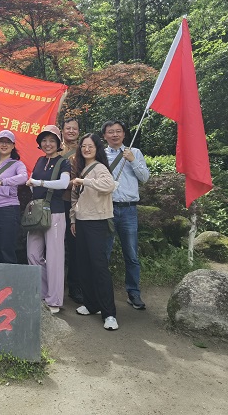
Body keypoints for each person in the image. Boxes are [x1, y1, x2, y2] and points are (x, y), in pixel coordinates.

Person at [70, 133, 119, 330]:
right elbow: (75, 198)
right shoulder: (80, 169)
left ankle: (109, 314)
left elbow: (109, 185)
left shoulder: (100, 168)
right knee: (84, 265)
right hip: (81, 222)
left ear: (97, 148)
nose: (86, 149)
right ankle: (91, 304)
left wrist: (86, 182)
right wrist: (73, 219)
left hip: (97, 222)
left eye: (90, 146)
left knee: (99, 267)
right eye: (83, 146)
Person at [102, 120, 150, 310]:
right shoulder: (101, 155)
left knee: (131, 254)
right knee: (104, 252)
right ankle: (103, 292)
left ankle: (133, 292)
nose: (114, 135)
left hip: (129, 210)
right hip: (107, 208)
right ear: (104, 135)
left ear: (124, 134)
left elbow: (145, 178)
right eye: (110, 131)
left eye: (118, 131)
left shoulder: (134, 152)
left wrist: (132, 160)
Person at [25, 124, 71, 313]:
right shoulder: (39, 160)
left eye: (52, 140)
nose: (47, 144)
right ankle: (43, 293)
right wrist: (33, 184)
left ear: (59, 143)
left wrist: (39, 182)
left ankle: (54, 300)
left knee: (54, 257)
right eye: (44, 140)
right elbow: (32, 183)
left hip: (55, 212)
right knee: (32, 254)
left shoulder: (63, 162)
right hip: (37, 213)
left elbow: (64, 183)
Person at [0, 130, 28, 264]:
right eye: (1, 142)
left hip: (8, 208)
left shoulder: (17, 164)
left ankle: (10, 277)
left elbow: (23, 177)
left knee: (6, 248)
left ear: (13, 145)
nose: (4, 145)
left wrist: (2, 182)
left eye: (8, 142)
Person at [61, 117, 83, 304]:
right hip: (56, 203)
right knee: (54, 245)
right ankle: (54, 285)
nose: (71, 131)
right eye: (68, 128)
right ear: (62, 130)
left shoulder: (84, 150)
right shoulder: (55, 148)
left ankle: (75, 286)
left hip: (75, 203)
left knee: (75, 245)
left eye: (74, 128)